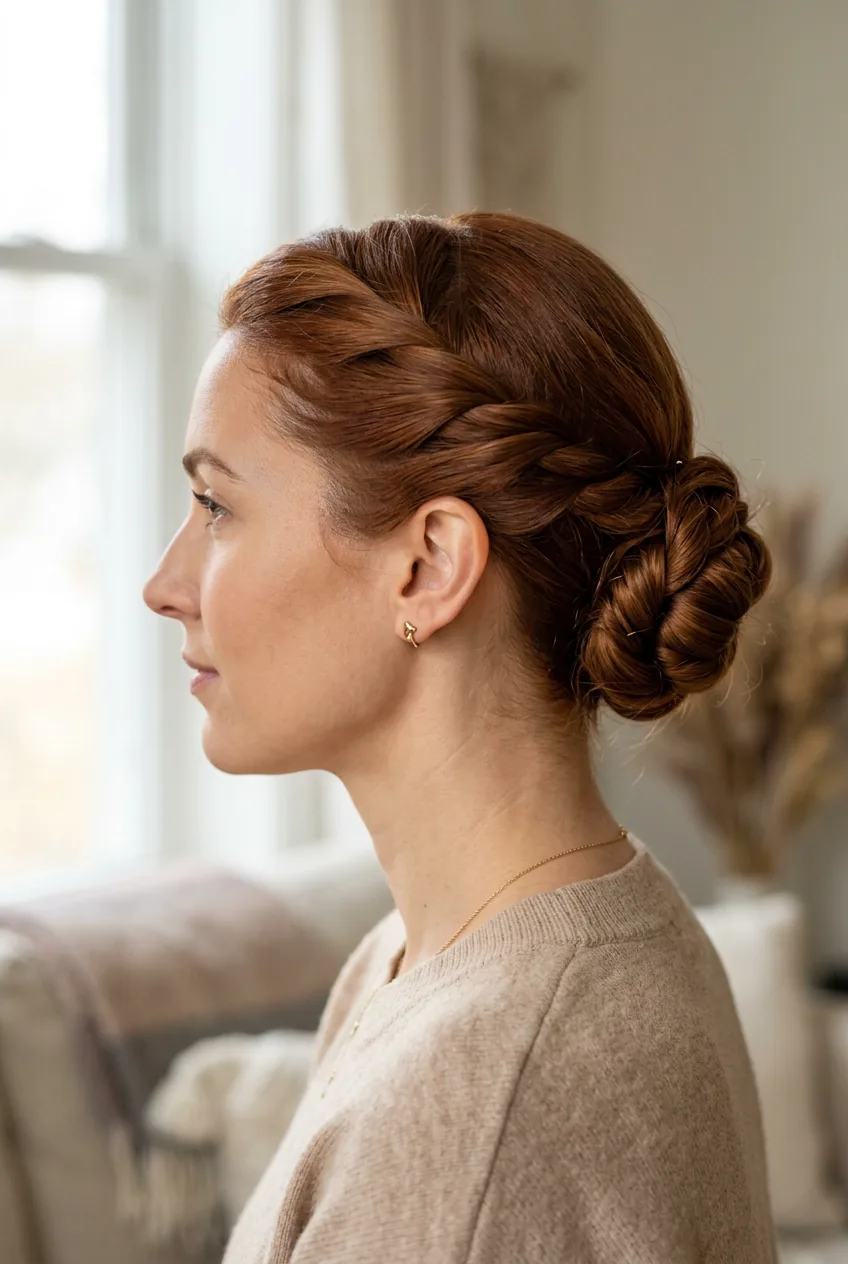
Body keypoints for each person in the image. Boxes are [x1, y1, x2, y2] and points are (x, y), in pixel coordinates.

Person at [143, 211, 778, 1262]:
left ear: (428, 566)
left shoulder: (482, 1093)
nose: (165, 586)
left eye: (216, 506)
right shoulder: (485, 948)